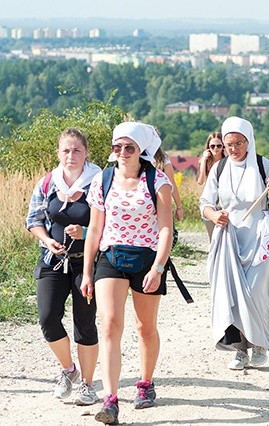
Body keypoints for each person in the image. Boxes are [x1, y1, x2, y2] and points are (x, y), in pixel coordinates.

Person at [81, 122, 174, 425]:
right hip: (110, 257)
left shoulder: (158, 181)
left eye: (128, 147)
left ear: (140, 151)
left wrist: (159, 267)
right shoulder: (101, 180)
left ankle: (145, 383)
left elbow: (165, 229)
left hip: (147, 259)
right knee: (109, 324)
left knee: (144, 327)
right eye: (116, 147)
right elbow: (95, 229)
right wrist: (86, 272)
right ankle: (110, 400)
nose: (121, 152)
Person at [200, 116, 269, 371]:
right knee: (231, 294)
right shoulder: (219, 169)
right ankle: (240, 350)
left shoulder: (263, 165)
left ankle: (260, 342)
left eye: (239, 143)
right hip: (229, 237)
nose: (233, 149)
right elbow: (205, 204)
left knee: (255, 291)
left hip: (260, 236)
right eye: (228, 144)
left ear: (249, 141)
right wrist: (214, 215)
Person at [25, 128, 101, 406]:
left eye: (77, 150)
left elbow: (109, 224)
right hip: (52, 261)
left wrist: (84, 230)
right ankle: (69, 370)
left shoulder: (99, 182)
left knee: (85, 323)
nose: (71, 155)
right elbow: (33, 220)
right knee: (47, 318)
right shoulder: (47, 183)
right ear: (58, 153)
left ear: (86, 153)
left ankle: (88, 385)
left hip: (88, 263)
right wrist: (46, 240)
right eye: (66, 150)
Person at [197, 132, 225, 240]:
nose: (216, 148)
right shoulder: (205, 161)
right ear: (208, 147)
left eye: (219, 145)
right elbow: (200, 181)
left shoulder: (227, 161)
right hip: (211, 198)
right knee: (212, 232)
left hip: (224, 197)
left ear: (223, 147)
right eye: (212, 146)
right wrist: (204, 160)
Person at [154, 147, 184, 221]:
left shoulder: (163, 159)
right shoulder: (134, 156)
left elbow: (171, 183)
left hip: (161, 204)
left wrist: (179, 207)